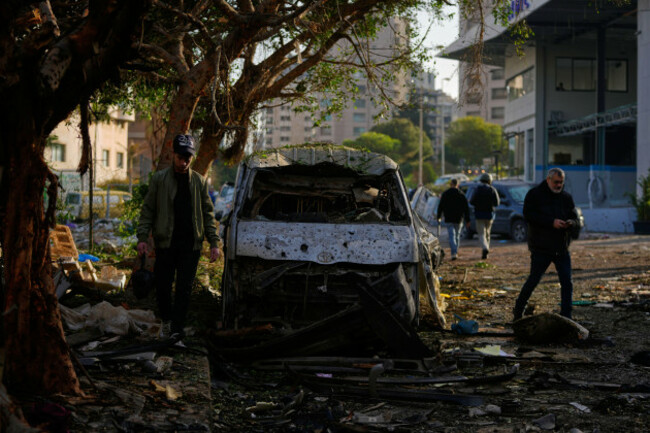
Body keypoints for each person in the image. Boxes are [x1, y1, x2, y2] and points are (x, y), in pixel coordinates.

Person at [137, 134, 221, 337]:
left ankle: (177, 330)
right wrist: (142, 238)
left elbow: (208, 214)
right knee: (163, 287)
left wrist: (214, 243)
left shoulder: (199, 183)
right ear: (173, 155)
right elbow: (148, 210)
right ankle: (166, 322)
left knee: (184, 290)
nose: (184, 162)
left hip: (190, 245)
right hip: (165, 243)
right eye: (180, 157)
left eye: (188, 158)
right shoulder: (159, 180)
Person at [513, 167, 579, 321]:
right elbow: (529, 215)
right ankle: (518, 311)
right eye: (556, 182)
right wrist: (551, 222)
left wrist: (571, 223)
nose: (558, 185)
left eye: (561, 183)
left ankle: (567, 316)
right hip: (541, 247)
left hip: (561, 247)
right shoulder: (535, 195)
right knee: (534, 279)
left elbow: (575, 218)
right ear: (548, 180)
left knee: (567, 282)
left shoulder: (566, 198)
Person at [436, 178, 470, 260]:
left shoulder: (445, 194)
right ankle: (455, 251)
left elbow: (440, 206)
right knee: (457, 236)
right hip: (459, 219)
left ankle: (453, 252)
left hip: (448, 218)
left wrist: (439, 216)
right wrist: (467, 220)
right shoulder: (461, 195)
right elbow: (466, 208)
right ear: (457, 185)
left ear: (450, 184)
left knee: (451, 235)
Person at [470, 173, 500, 260]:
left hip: (479, 215)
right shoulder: (492, 190)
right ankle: (486, 252)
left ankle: (485, 248)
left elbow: (472, 201)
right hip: (489, 215)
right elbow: (497, 203)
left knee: (481, 234)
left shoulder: (477, 189)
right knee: (488, 233)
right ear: (489, 181)